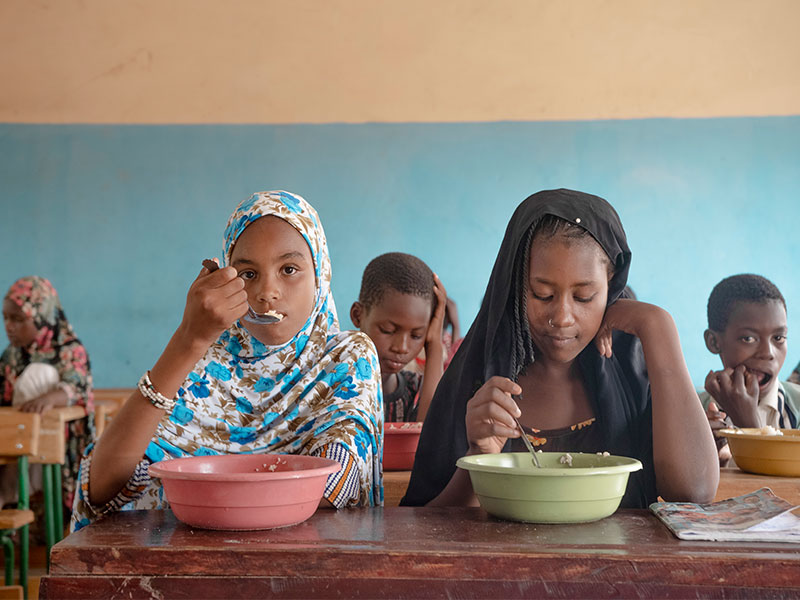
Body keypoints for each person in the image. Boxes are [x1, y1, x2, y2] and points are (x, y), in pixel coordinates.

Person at [71, 191, 383, 531]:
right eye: (248, 274)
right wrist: (189, 339)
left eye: (289, 269)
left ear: (320, 275)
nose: (267, 292)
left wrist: (203, 487)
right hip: (187, 564)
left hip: (302, 570)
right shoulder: (203, 359)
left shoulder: (346, 359)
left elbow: (336, 483)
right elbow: (102, 488)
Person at [401, 188, 718, 508]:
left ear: (612, 285)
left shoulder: (633, 370)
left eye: (584, 297)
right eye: (542, 294)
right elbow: (425, 531)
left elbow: (694, 492)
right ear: (515, 286)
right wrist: (478, 457)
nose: (562, 318)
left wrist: (658, 327)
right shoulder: (475, 380)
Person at [1, 276, 94, 513]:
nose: (9, 326)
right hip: (15, 438)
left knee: (38, 374)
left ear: (42, 317)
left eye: (18, 319)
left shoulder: (70, 350)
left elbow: (77, 387)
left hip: (60, 440)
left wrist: (49, 399)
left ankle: (16, 489)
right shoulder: (11, 355)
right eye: (6, 318)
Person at [699, 274, 800, 464]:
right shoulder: (693, 411)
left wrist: (747, 425)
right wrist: (703, 456)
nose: (767, 353)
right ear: (714, 342)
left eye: (778, 338)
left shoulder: (797, 408)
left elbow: (784, 492)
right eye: (749, 339)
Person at [350, 252, 446, 423]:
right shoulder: (334, 384)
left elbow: (430, 437)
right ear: (358, 316)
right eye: (387, 330)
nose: (401, 347)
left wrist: (434, 345)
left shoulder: (416, 390)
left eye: (416, 335)